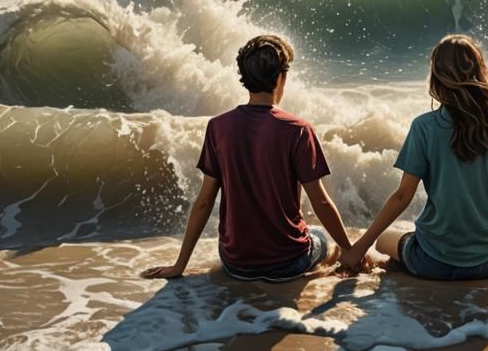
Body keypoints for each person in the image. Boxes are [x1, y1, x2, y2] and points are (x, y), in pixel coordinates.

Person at [340, 34, 488, 281]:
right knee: (410, 240)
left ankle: (394, 265)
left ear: (436, 77)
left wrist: (357, 249)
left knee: (385, 240)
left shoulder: (424, 127)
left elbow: (402, 196)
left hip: (432, 262)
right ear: (479, 73)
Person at [143, 34, 368, 282]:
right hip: (288, 262)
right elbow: (321, 203)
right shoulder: (298, 129)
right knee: (325, 241)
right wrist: (349, 248)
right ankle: (339, 267)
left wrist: (179, 265)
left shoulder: (218, 127)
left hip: (235, 263)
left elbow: (204, 203)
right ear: (281, 77)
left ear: (244, 78)